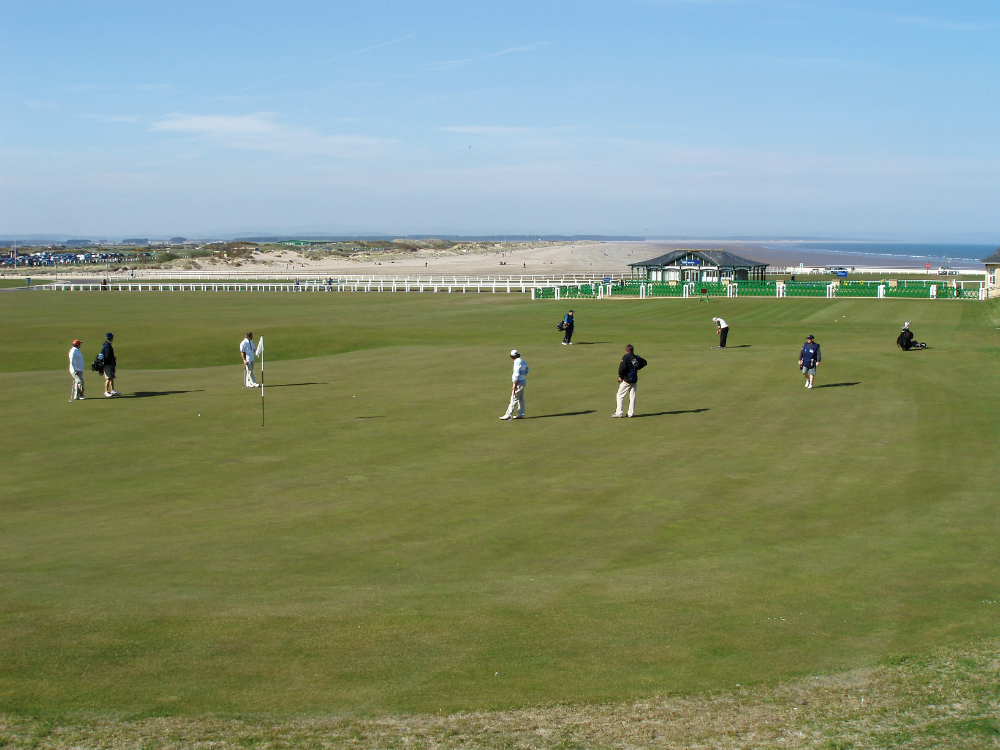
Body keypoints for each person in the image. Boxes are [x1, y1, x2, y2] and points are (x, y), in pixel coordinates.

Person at [612, 344, 647, 418]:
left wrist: (621, 377)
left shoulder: (626, 357)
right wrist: (637, 368)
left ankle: (619, 413)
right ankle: (631, 413)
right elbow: (644, 362)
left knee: (620, 395)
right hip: (634, 380)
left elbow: (622, 368)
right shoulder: (636, 357)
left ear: (626, 351)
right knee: (632, 397)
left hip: (626, 380)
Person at [499, 349, 529, 420]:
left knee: (514, 398)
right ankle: (521, 414)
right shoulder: (523, 361)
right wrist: (523, 376)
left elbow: (516, 374)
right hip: (523, 381)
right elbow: (527, 370)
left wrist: (515, 384)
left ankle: (508, 414)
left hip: (518, 382)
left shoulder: (517, 362)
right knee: (521, 398)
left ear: (513, 357)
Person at [102, 333, 119, 397]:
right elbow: (107, 356)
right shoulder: (107, 346)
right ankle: (106, 391)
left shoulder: (107, 344)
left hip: (109, 364)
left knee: (111, 377)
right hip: (107, 364)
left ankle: (113, 390)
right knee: (108, 378)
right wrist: (113, 358)